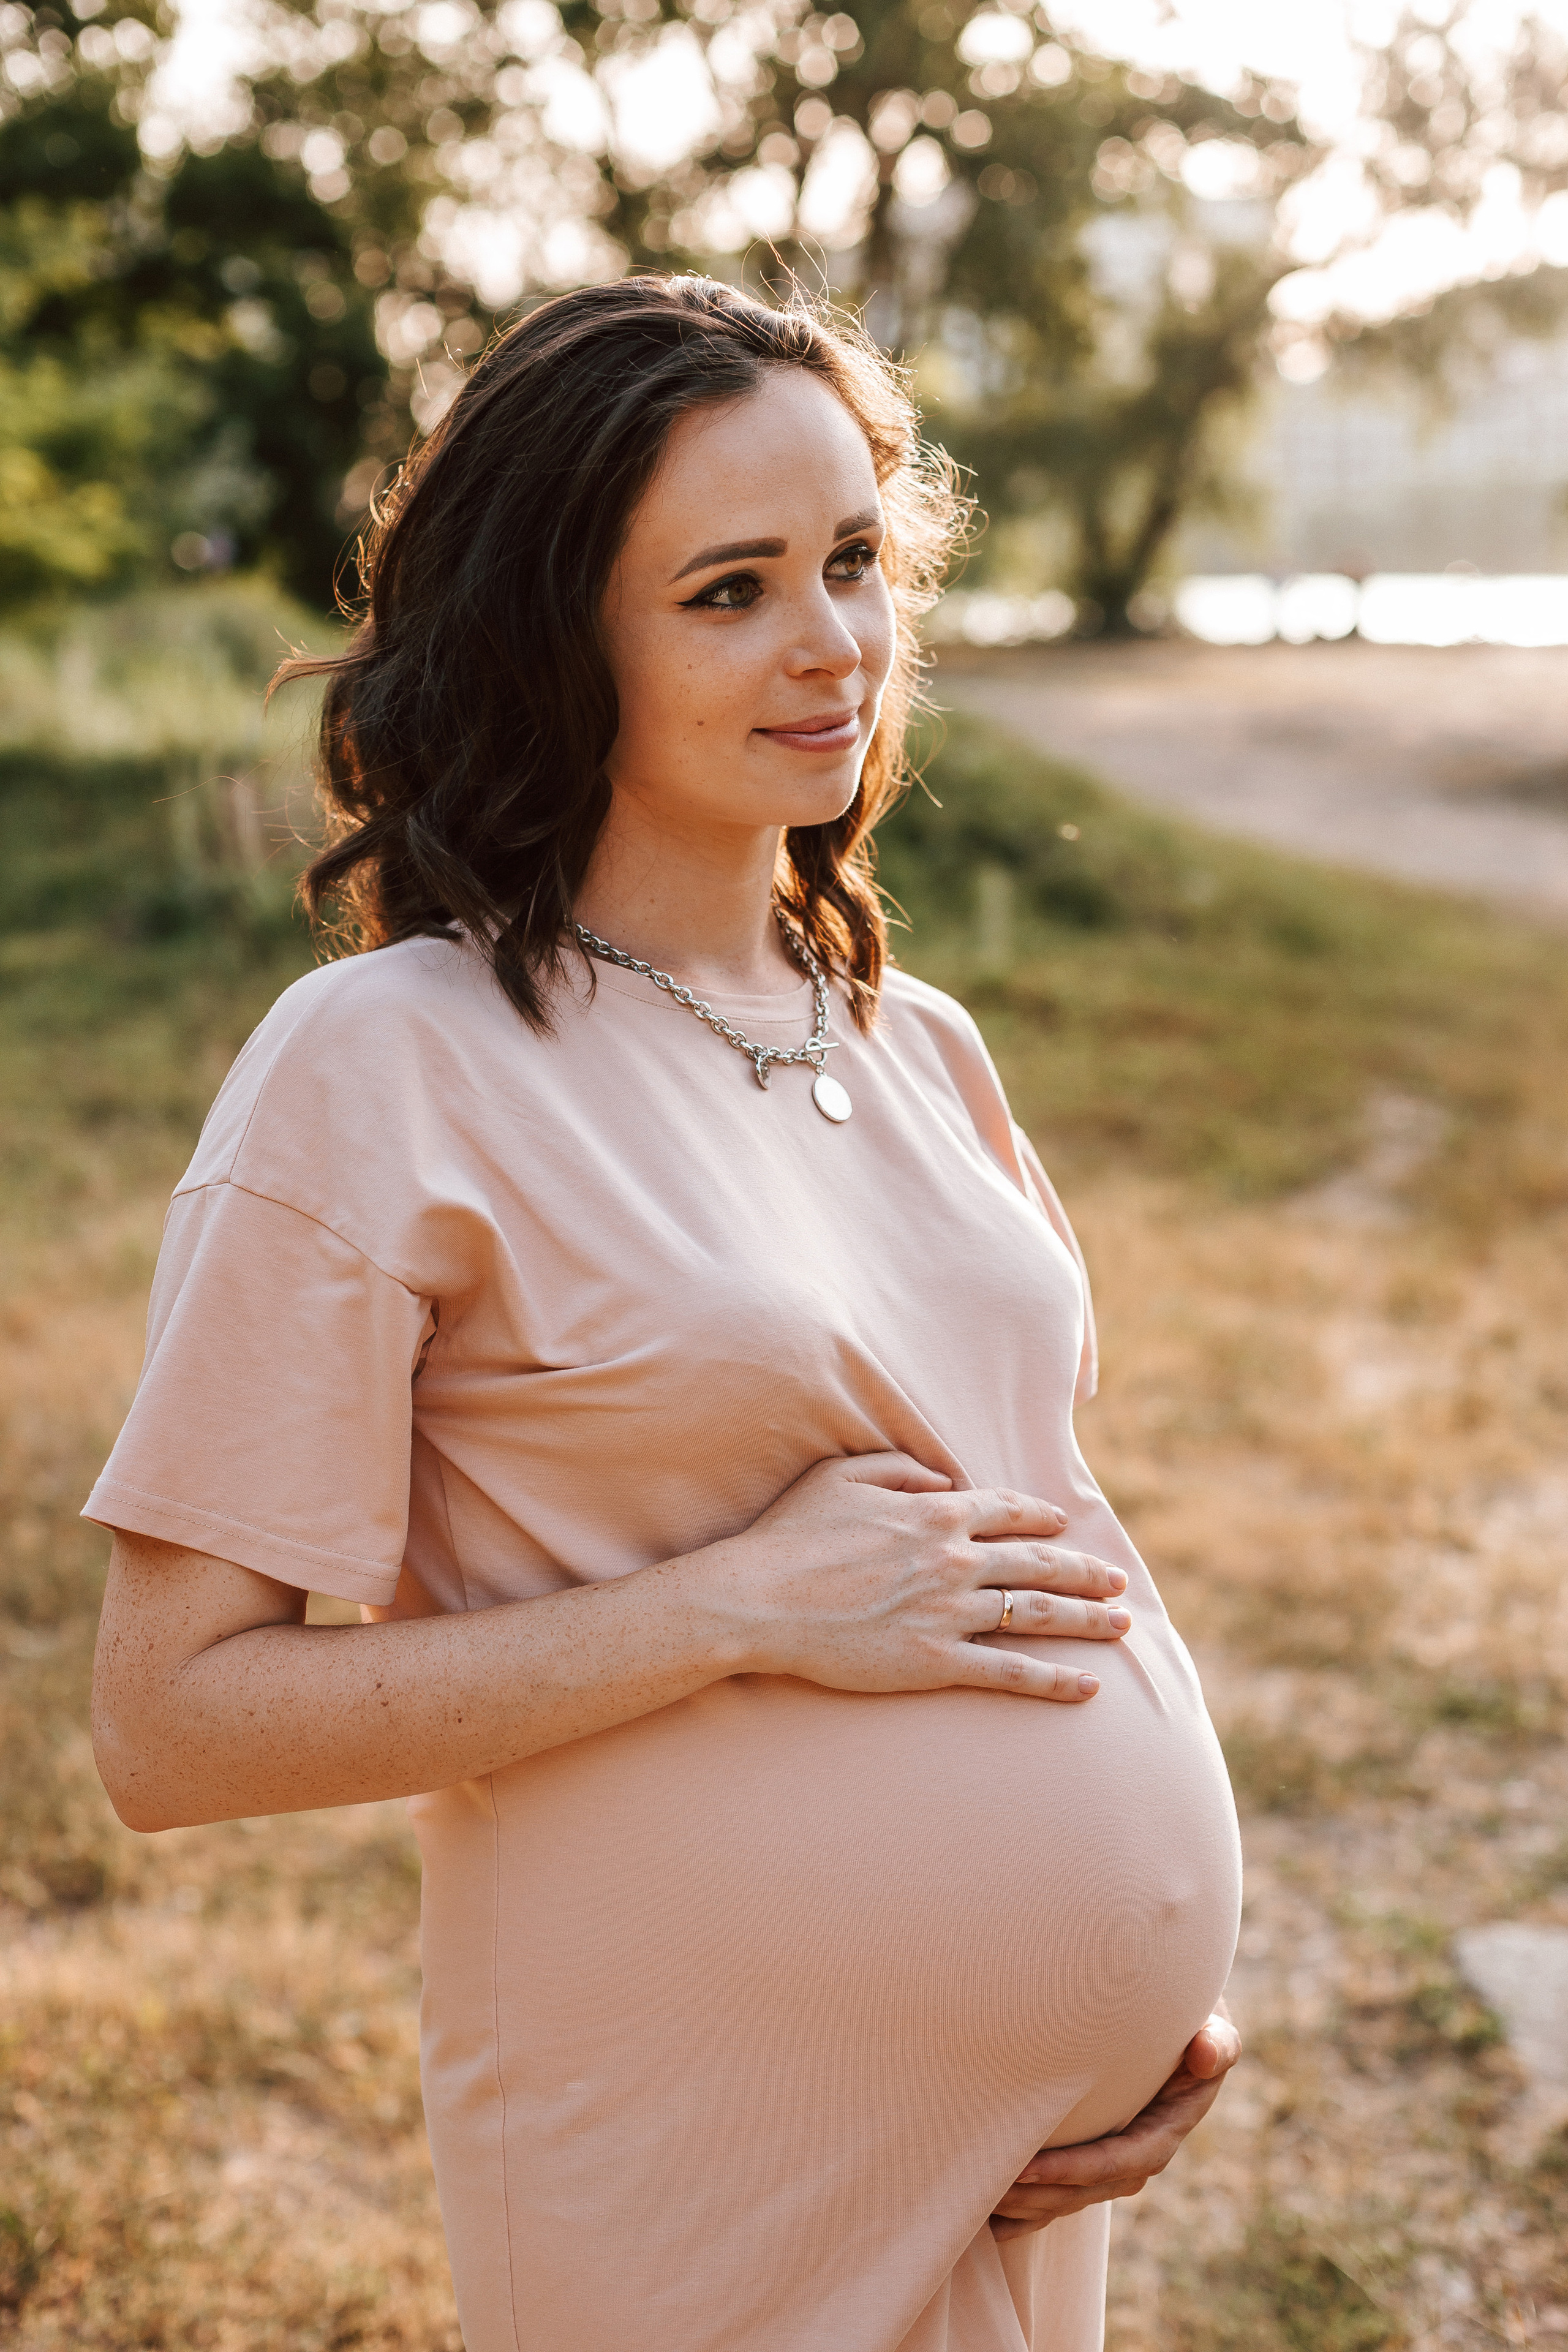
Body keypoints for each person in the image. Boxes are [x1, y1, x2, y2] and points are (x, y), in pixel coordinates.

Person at [88, 276, 1242, 2352]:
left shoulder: (917, 1041)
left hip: (1027, 2163)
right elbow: (168, 1728)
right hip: (698, 2145)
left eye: (858, 562)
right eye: (729, 590)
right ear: (558, 643)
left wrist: (1133, 1992)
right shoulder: (387, 1058)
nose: (834, 647)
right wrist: (734, 1606)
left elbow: (1021, 1531)